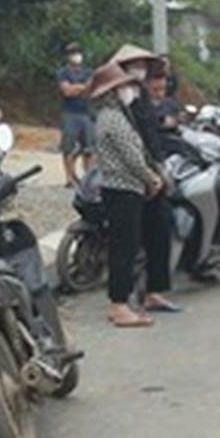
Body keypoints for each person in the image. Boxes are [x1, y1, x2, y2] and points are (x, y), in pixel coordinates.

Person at [90, 62, 178, 329]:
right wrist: (151, 178)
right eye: (125, 85)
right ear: (114, 90)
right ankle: (119, 306)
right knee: (123, 248)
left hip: (128, 187)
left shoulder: (122, 113)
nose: (131, 88)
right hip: (122, 188)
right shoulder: (114, 119)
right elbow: (132, 157)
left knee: (129, 244)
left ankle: (136, 299)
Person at [55, 41, 96, 186]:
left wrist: (76, 88)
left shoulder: (89, 72)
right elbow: (66, 91)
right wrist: (82, 87)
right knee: (68, 147)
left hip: (87, 113)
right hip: (70, 113)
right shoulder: (62, 72)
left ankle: (89, 178)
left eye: (78, 52)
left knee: (89, 148)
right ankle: (69, 178)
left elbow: (91, 90)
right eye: (72, 53)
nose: (76, 56)